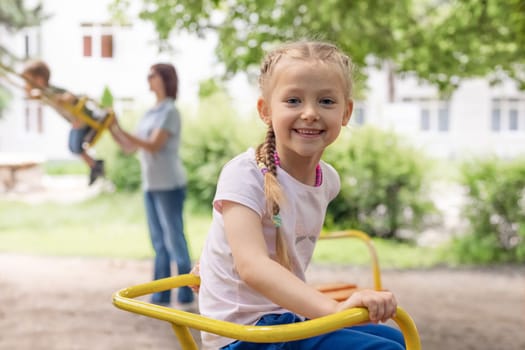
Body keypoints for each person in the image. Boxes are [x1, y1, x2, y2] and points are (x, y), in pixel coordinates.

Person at [197, 40, 405, 349]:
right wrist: (333, 309)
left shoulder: (328, 180)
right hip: (244, 334)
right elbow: (252, 265)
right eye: (293, 100)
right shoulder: (245, 174)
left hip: (283, 320)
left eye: (326, 102)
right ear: (265, 110)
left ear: (346, 112)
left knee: (393, 336)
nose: (309, 113)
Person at [109, 63, 194, 308]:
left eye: (152, 75)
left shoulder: (170, 112)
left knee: (174, 239)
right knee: (158, 241)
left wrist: (122, 128)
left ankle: (186, 293)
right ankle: (161, 294)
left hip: (170, 185)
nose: (148, 78)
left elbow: (153, 144)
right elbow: (130, 147)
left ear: (164, 79)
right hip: (151, 185)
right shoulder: (150, 112)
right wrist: (111, 127)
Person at [21, 60, 105, 186]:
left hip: (84, 121)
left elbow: (71, 95)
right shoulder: (44, 94)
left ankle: (96, 166)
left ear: (39, 79)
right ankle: (95, 165)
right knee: (73, 147)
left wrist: (64, 98)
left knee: (75, 146)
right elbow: (31, 96)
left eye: (28, 81)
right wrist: (27, 89)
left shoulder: (52, 91)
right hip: (76, 122)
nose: (27, 84)